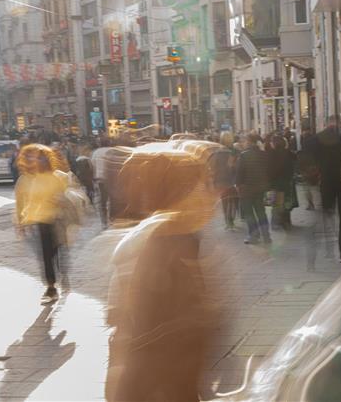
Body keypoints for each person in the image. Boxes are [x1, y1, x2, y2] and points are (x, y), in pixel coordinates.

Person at [105, 140, 224, 401]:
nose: (212, 194)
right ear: (178, 193)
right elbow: (144, 347)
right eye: (204, 184)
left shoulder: (184, 240)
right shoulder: (152, 249)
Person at [14, 144, 68, 304]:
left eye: (42, 159)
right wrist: (22, 222)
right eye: (38, 159)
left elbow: (64, 197)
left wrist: (59, 200)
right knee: (46, 255)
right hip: (41, 221)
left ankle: (59, 276)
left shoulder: (57, 178)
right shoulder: (34, 180)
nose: (39, 162)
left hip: (56, 219)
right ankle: (51, 287)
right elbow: (27, 202)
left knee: (56, 252)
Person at [305, 115, 341, 262]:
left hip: (325, 180)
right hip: (340, 179)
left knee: (327, 214)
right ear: (339, 123)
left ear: (326, 124)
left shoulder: (316, 139)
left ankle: (328, 248)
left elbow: (307, 154)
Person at [236, 133, 271, 244]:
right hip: (260, 188)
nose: (244, 142)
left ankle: (254, 235)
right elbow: (267, 172)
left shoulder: (244, 155)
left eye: (245, 140)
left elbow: (239, 173)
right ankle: (266, 236)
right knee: (261, 211)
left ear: (249, 141)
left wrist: (238, 185)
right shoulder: (264, 154)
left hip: (247, 188)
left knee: (249, 213)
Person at [267, 134, 296, 229]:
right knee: (286, 203)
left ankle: (276, 223)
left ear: (274, 143)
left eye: (272, 142)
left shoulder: (271, 154)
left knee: (277, 204)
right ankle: (287, 222)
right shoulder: (289, 153)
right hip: (287, 182)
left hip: (277, 182)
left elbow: (270, 169)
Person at [218, 131, 239, 230]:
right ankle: (231, 221)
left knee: (225, 201)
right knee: (233, 201)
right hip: (233, 179)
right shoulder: (235, 151)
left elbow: (214, 166)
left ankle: (227, 221)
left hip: (221, 180)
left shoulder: (218, 151)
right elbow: (238, 165)